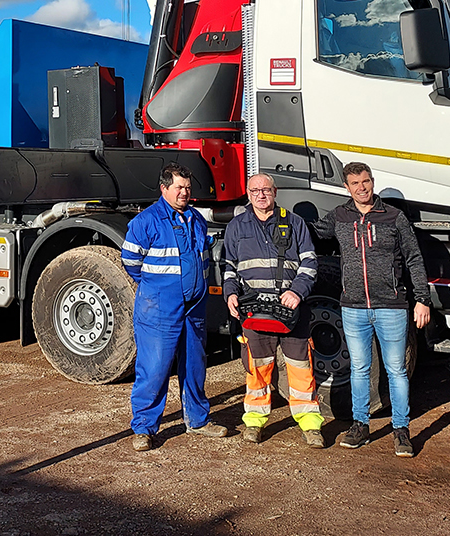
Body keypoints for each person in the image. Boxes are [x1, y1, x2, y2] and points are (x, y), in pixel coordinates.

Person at [121, 162, 229, 450]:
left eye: (188, 188)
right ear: (164, 188)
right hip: (159, 309)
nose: (184, 192)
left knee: (194, 365)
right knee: (154, 368)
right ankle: (144, 428)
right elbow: (131, 262)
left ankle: (197, 420)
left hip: (193, 306)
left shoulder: (195, 218)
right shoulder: (146, 222)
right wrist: (156, 288)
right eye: (179, 187)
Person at [330, 161, 432, 457]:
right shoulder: (339, 216)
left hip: (392, 307)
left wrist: (422, 299)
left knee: (396, 371)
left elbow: (414, 258)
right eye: (355, 184)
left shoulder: (394, 217)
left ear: (372, 181)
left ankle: (401, 430)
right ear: (346, 188)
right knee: (360, 369)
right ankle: (360, 426)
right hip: (353, 307)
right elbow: (308, 232)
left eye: (366, 182)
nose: (362, 188)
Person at [222, 172, 325, 447]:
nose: (260, 195)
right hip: (254, 311)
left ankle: (310, 425)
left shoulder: (294, 222)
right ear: (248, 193)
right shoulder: (236, 226)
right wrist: (231, 295)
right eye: (255, 191)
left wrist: (297, 291)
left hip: (291, 310)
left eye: (265, 190)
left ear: (275, 191)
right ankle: (254, 423)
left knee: (301, 367)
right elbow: (229, 267)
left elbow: (310, 262)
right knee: (257, 368)